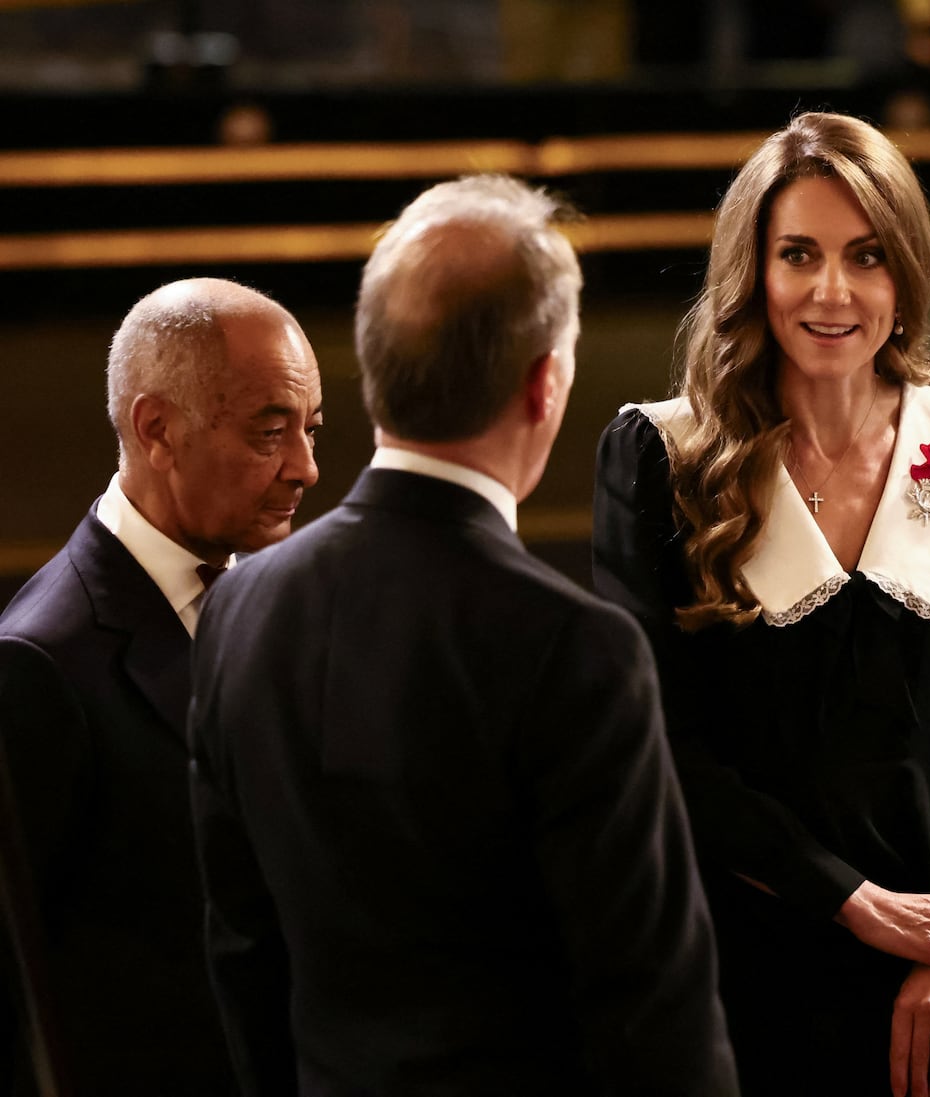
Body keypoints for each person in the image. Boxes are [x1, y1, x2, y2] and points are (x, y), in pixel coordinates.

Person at [188, 174, 737, 1097]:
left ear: (372, 363)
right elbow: (653, 1012)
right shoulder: (575, 647)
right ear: (545, 384)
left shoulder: (241, 607)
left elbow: (243, 954)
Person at [592, 111, 930, 1097]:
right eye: (799, 254)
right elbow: (654, 743)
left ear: (906, 272)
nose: (834, 291)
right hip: (738, 957)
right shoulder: (662, 454)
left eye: (867, 256)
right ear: (752, 269)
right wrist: (852, 900)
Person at [0, 277, 322, 1095]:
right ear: (157, 429)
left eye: (311, 430)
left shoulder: (286, 599)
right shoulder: (37, 661)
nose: (306, 468)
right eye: (270, 431)